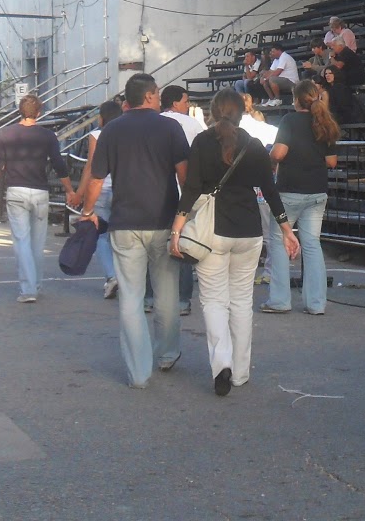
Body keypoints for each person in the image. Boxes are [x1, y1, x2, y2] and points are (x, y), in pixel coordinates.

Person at [171, 89, 299, 396]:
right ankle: (241, 372)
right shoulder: (253, 145)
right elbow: (269, 190)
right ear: (242, 112)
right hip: (249, 230)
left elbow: (191, 187)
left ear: (213, 111)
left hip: (213, 231)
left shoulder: (202, 142)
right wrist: (286, 229)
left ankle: (222, 365)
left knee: (214, 301)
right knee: (242, 302)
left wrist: (177, 227)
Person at [79, 73, 190, 388]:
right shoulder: (170, 127)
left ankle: (139, 372)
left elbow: (97, 180)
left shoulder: (111, 130)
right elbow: (185, 175)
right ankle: (166, 353)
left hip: (124, 222)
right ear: (151, 96)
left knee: (131, 296)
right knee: (166, 292)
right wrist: (186, 215)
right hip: (164, 220)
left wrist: (88, 212)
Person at [262, 79, 339, 315]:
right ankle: (316, 303)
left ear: (296, 100)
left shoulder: (289, 120)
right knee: (312, 244)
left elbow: (279, 153)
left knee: (279, 241)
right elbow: (332, 161)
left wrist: (270, 157)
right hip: (317, 190)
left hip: (290, 189)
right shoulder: (325, 122)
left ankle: (280, 300)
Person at [0, 93, 73, 303]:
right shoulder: (47, 136)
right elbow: (58, 164)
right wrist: (70, 190)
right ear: (39, 112)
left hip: (16, 190)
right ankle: (36, 284)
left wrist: (7, 165)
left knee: (22, 241)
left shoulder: (5, 133)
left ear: (20, 111)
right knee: (38, 242)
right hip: (40, 191)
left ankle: (27, 289)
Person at [69, 99, 122, 299]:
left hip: (100, 190)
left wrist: (80, 194)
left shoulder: (97, 135)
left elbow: (91, 167)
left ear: (102, 118)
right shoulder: (125, 133)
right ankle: (126, 276)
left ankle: (111, 276)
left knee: (101, 236)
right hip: (122, 190)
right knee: (121, 236)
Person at [162, 84, 204, 315]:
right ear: (175, 102)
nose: (188, 105)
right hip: (186, 192)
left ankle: (150, 297)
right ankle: (182, 299)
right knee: (182, 244)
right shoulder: (191, 124)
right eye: (186, 101)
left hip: (158, 193)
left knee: (155, 247)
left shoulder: (156, 122)